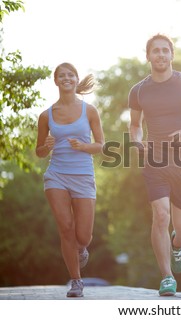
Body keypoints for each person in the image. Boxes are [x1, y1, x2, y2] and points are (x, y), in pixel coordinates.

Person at [128, 34, 181, 296]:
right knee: (161, 215)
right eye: (156, 51)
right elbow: (134, 125)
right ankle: (167, 277)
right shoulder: (139, 90)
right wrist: (137, 142)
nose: (161, 55)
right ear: (148, 56)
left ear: (172, 55)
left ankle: (179, 243)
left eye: (166, 50)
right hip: (155, 158)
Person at [35, 62, 105, 298]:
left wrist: (84, 146)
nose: (66, 78)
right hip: (57, 175)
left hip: (83, 175)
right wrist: (45, 146)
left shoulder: (90, 111)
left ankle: (82, 248)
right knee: (65, 228)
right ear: (56, 81)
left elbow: (101, 146)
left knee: (83, 236)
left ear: (76, 79)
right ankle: (76, 281)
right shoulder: (46, 115)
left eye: (70, 75)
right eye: (61, 76)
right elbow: (39, 152)